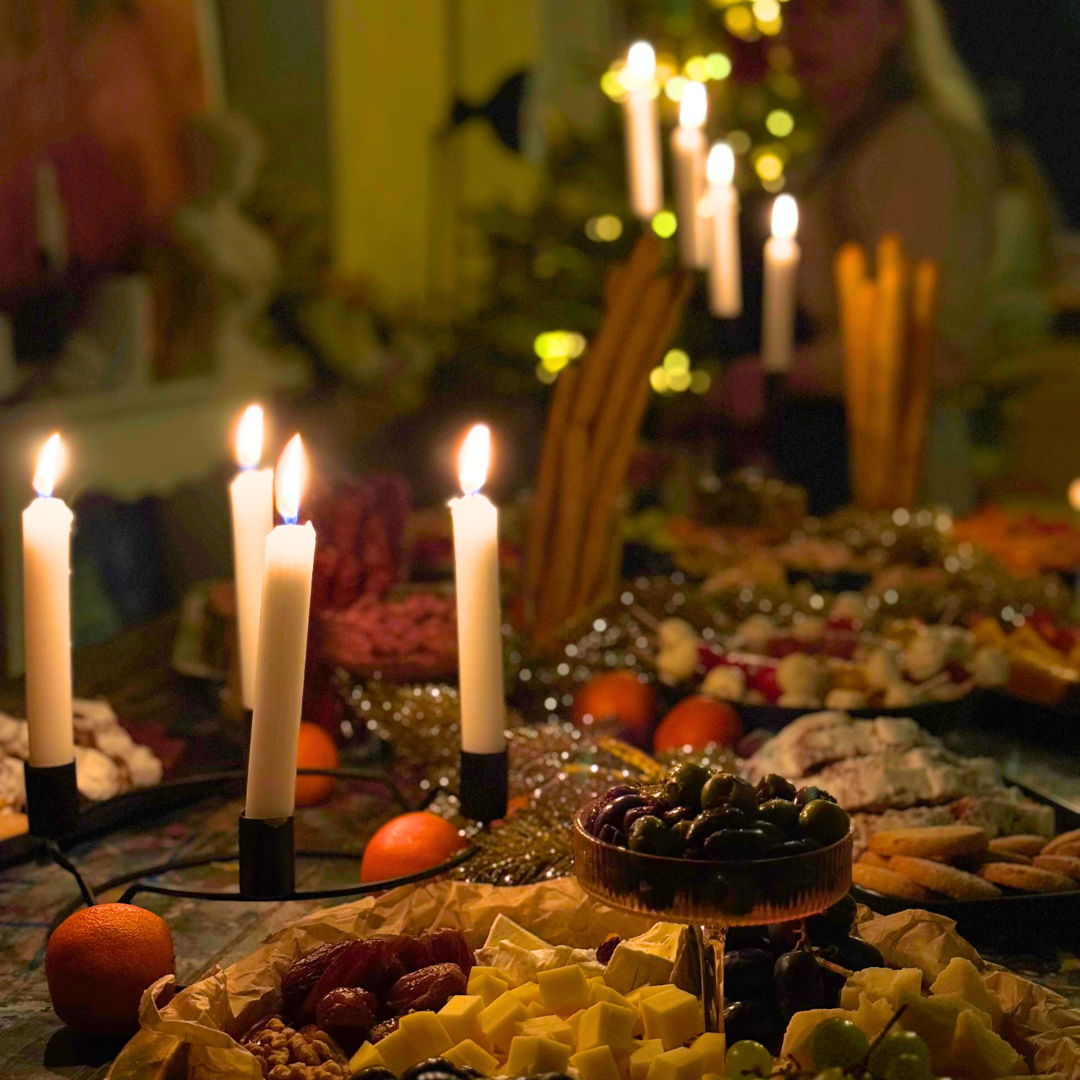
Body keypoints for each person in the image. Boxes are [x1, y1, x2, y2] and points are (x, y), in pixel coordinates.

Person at [723, 0, 998, 513]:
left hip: (899, 479)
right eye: (795, 10)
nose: (808, 32)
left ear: (895, 20)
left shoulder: (915, 145)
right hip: (830, 466)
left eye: (836, 8)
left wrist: (776, 377)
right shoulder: (836, 147)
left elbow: (931, 337)